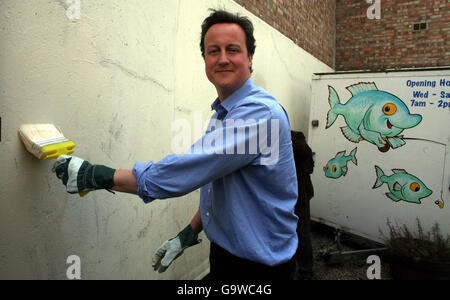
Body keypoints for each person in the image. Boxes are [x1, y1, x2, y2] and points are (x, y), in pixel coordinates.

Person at [53, 9, 299, 280]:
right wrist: (189, 233)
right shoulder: (225, 111)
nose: (223, 59)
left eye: (233, 49)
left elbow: (182, 173)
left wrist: (96, 176)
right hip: (230, 255)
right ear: (204, 59)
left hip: (258, 270)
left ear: (250, 58)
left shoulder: (259, 114)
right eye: (213, 51)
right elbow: (220, 183)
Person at [291, 130, 315, 280]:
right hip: (280, 197)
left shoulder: (295, 137)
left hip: (299, 196)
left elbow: (307, 155)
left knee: (302, 235)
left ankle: (306, 272)